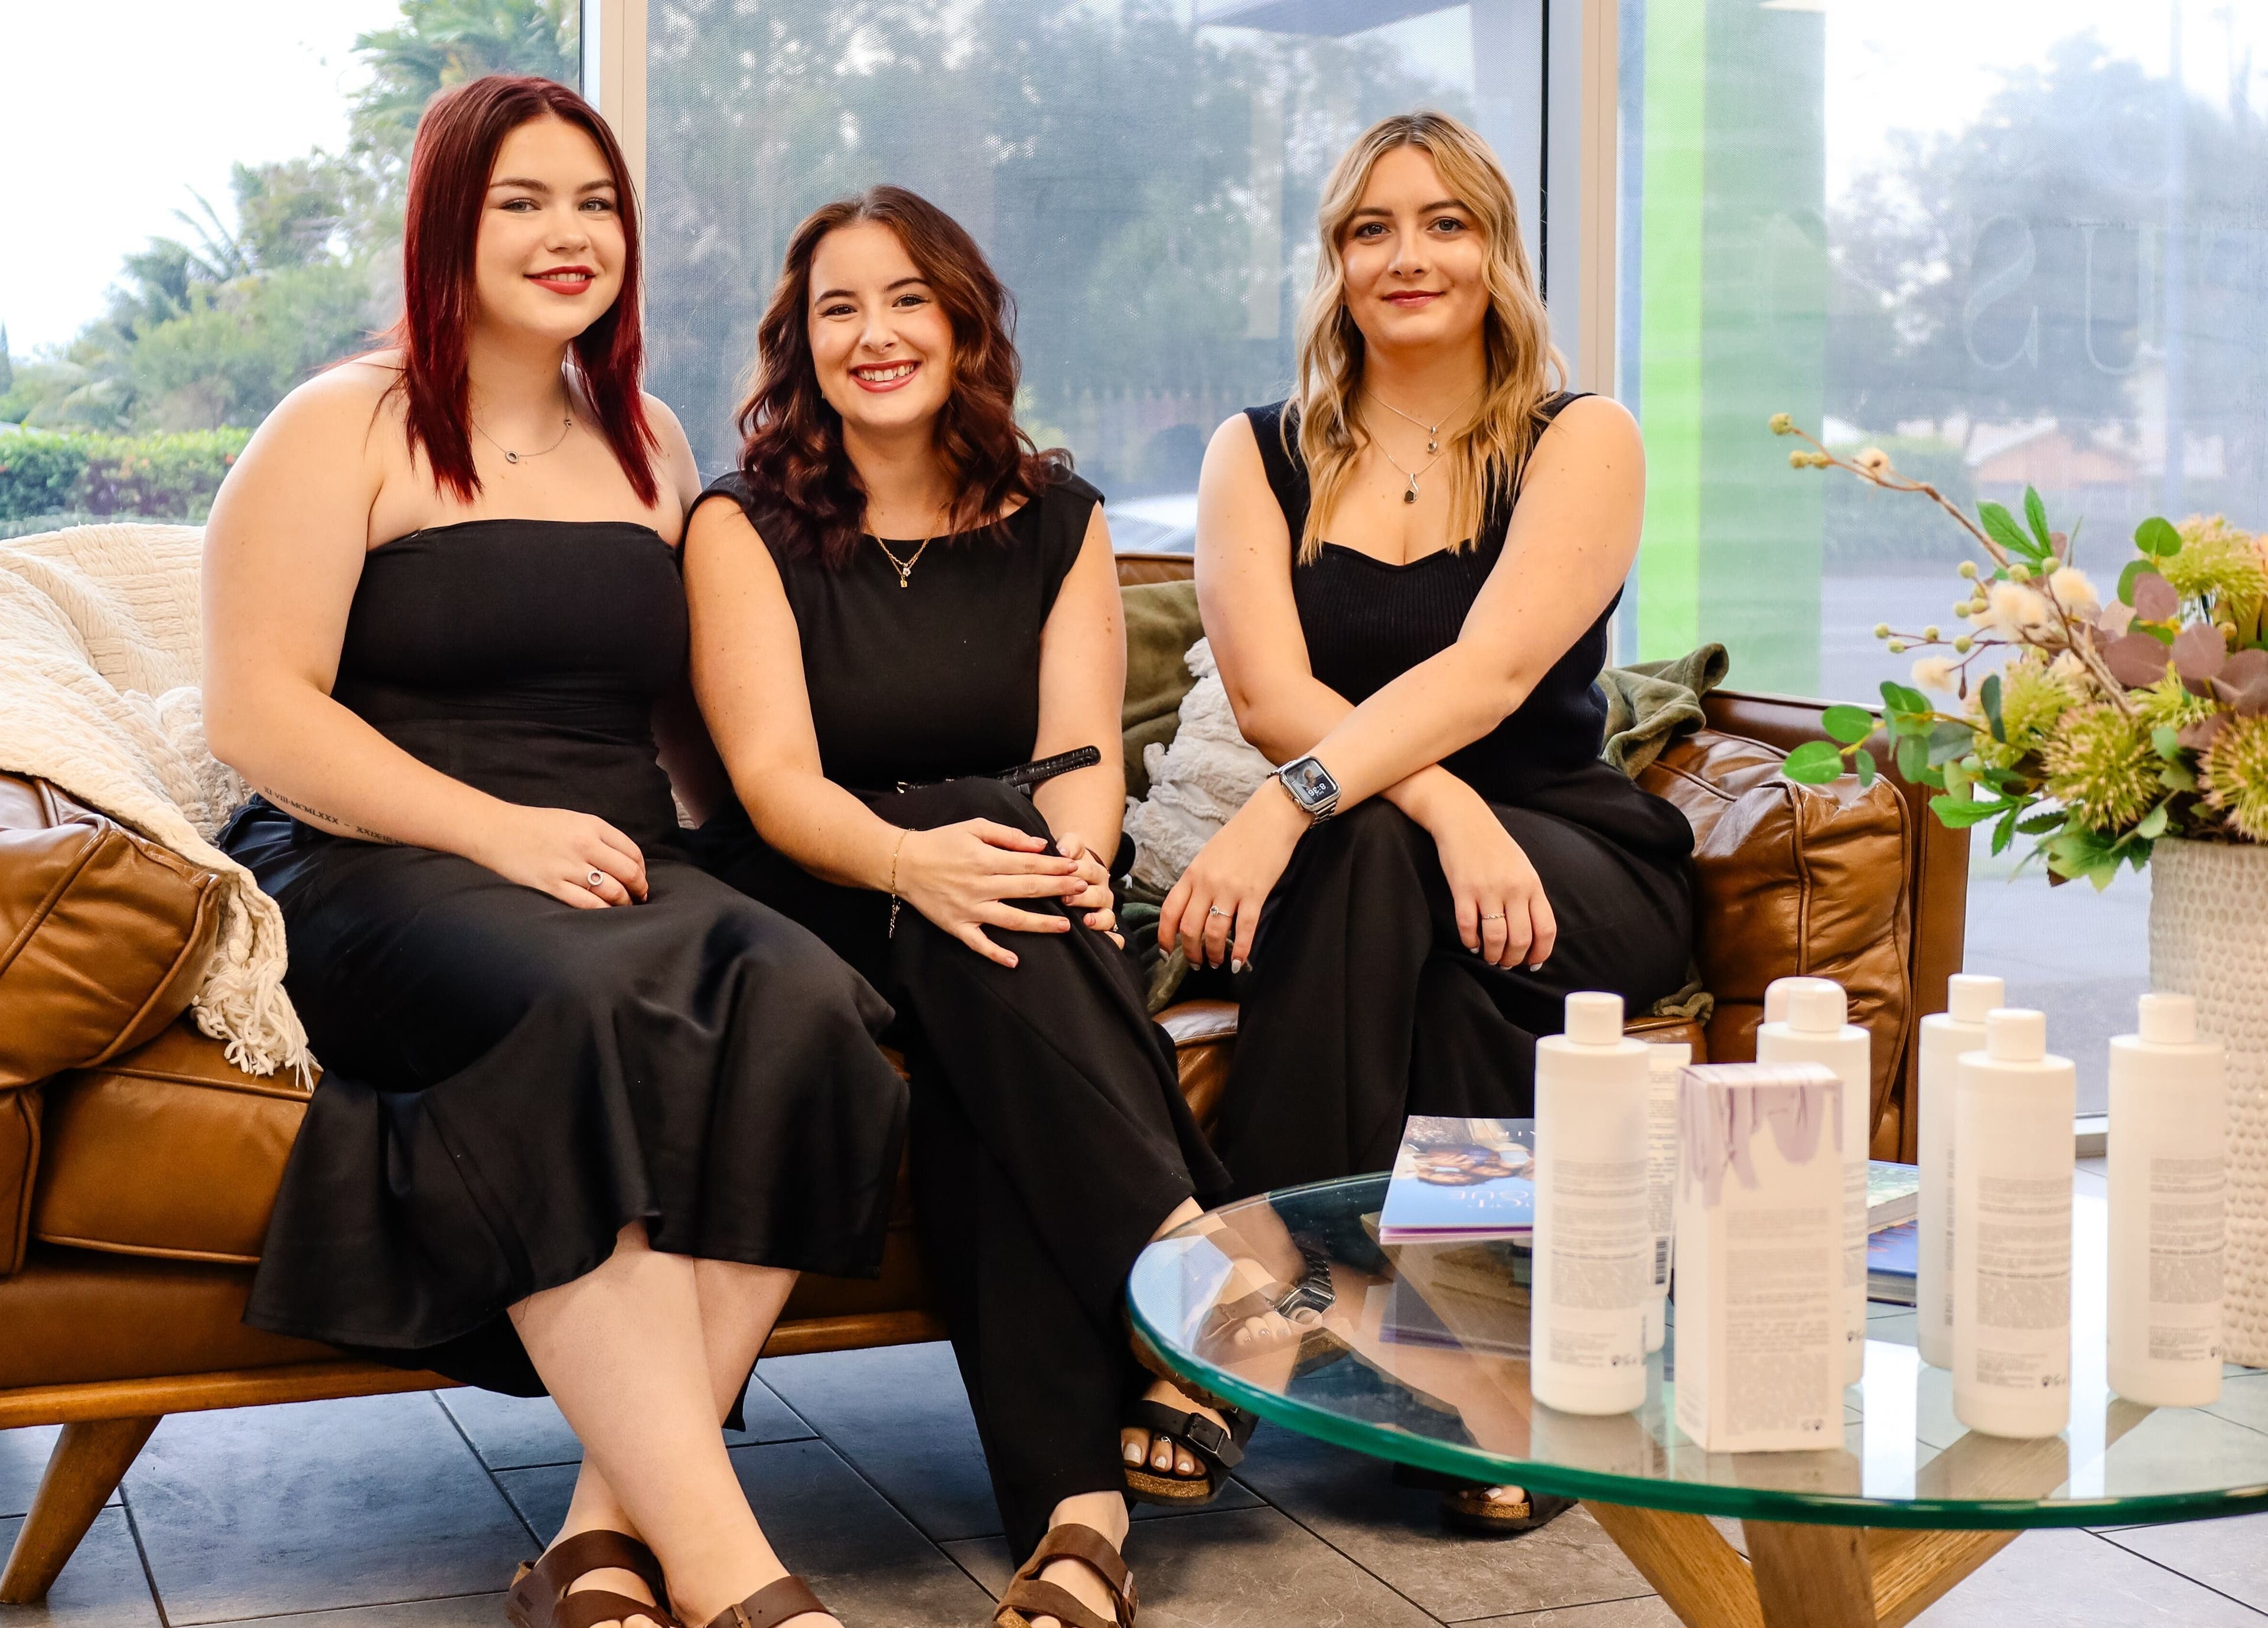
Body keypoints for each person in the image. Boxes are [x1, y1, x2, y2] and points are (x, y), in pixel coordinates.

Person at [204, 75, 905, 1628]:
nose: (568, 232)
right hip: (384, 851)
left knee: (809, 1003)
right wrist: (494, 832)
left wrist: (786, 860)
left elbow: (681, 723)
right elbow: (257, 712)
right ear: (448, 226)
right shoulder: (344, 423)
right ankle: (738, 1580)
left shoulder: (646, 436)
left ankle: (599, 1540)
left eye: (595, 202)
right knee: (590, 1008)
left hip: (607, 855)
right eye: (522, 200)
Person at [682, 185, 1296, 1628]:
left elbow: (1078, 764)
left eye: (908, 299)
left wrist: (1076, 866)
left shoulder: (1055, 516)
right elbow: (772, 783)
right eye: (839, 307)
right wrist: (927, 861)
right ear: (801, 342)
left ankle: (1081, 1524)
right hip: (813, 890)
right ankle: (1201, 1268)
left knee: (988, 1022)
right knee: (979, 873)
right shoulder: (742, 523)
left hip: (1001, 902)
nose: (876, 332)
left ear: (964, 325)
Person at [1162, 110, 1696, 1533]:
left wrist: (1302, 809)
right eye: (1370, 228)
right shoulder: (1256, 455)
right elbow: (1275, 694)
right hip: (1399, 857)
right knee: (1432, 952)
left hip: (1574, 863)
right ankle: (1467, 1391)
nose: (1411, 255)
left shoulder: (1581, 438)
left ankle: (1255, 1290)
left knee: (1372, 853)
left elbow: (1497, 670)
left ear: (1497, 251)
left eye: (1446, 221)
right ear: (1334, 262)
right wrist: (1440, 802)